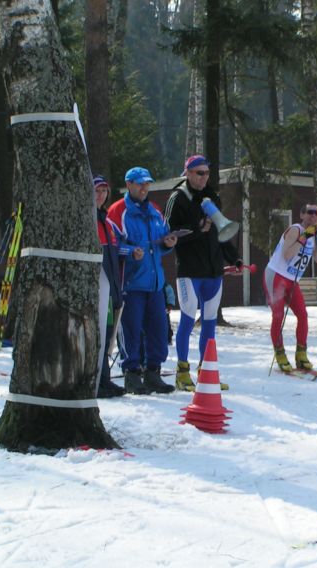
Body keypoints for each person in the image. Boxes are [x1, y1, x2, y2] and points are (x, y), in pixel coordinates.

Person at [164, 155, 239, 392]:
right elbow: (171, 235)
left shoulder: (212, 196)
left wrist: (233, 258)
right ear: (187, 173)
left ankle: (206, 372)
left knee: (209, 323)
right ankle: (182, 372)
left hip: (213, 270)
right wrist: (198, 230)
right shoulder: (177, 198)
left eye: (206, 173)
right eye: (199, 173)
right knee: (187, 319)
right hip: (189, 271)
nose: (204, 177)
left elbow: (221, 229)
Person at [107, 167, 178, 395]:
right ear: (128, 184)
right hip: (130, 284)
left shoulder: (156, 211)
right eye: (139, 183)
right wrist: (129, 251)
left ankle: (153, 372)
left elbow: (159, 246)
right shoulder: (118, 212)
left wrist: (168, 243)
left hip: (155, 283)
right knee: (131, 330)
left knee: (158, 329)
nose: (144, 187)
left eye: (147, 183)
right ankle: (131, 374)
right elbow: (111, 246)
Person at [264, 203, 317, 372]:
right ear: (302, 215)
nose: (313, 216)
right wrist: (305, 236)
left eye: (316, 213)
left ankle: (301, 354)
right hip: (276, 275)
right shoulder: (295, 230)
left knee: (303, 315)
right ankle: (280, 354)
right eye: (310, 213)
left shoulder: (312, 235)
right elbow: (287, 254)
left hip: (292, 280)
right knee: (278, 315)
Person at [94, 175, 125, 398]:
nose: (101, 195)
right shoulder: (88, 220)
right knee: (98, 335)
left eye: (104, 191)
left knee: (107, 335)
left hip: (112, 287)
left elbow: (116, 252)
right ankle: (97, 381)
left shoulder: (107, 222)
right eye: (97, 190)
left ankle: (105, 378)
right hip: (97, 288)